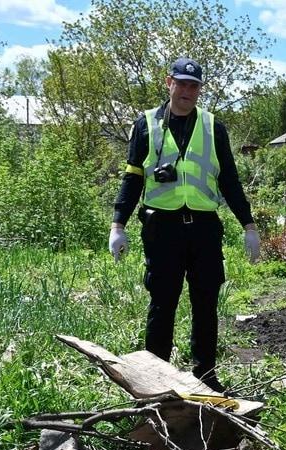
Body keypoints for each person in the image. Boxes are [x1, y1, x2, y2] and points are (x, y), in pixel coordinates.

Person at [109, 57, 259, 393]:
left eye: (194, 86)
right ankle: (154, 379)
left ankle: (205, 376)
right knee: (162, 302)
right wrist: (118, 224)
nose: (187, 91)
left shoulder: (213, 126)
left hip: (204, 228)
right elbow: (132, 177)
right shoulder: (146, 123)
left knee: (206, 303)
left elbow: (230, 181)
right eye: (181, 84)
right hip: (162, 228)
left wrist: (249, 226)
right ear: (169, 83)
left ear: (199, 89)